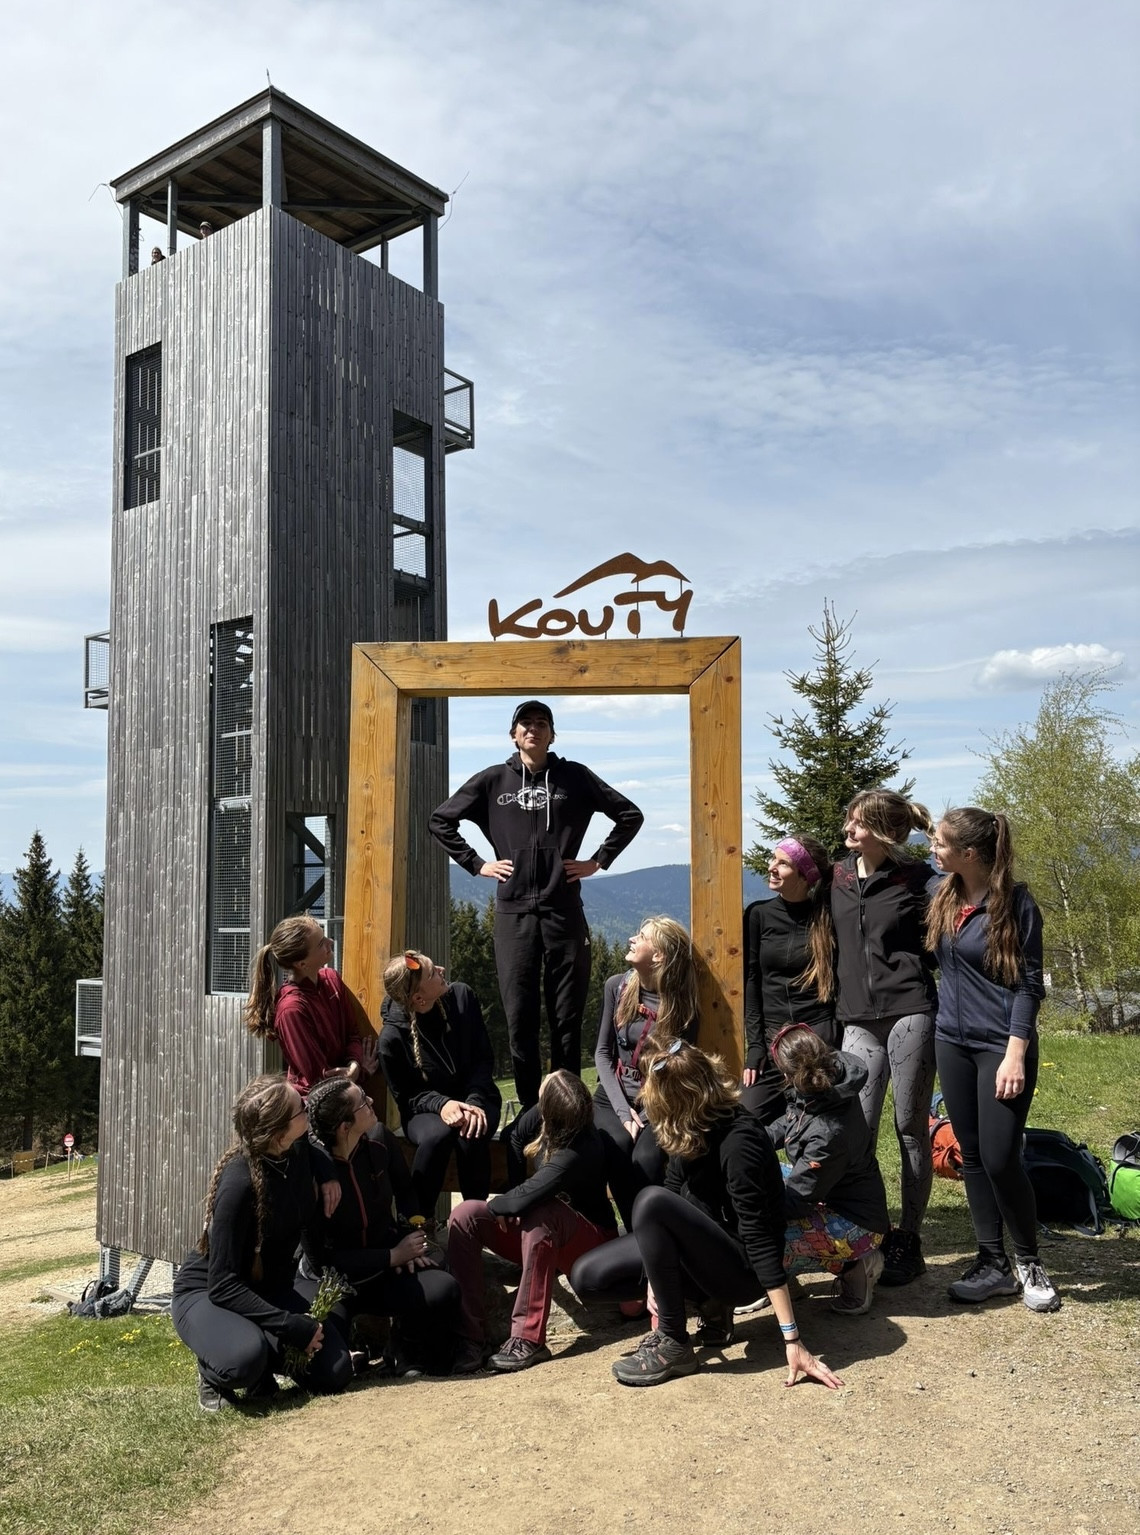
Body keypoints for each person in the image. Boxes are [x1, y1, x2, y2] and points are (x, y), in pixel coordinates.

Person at [429, 699, 643, 1108]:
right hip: (512, 915)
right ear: (514, 735)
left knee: (567, 1019)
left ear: (551, 734)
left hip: (564, 912)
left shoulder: (575, 777)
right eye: (525, 723)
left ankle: (569, 1111)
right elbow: (440, 820)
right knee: (520, 1020)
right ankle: (530, 1111)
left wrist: (598, 861)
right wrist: (477, 864)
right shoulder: (493, 780)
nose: (533, 728)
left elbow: (629, 815)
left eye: (541, 723)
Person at [604, 1041, 843, 1388]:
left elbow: (760, 1237)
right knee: (590, 1277)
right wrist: (655, 1278)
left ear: (682, 1099)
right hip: (705, 1246)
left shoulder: (739, 1142)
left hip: (741, 1271)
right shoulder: (693, 1124)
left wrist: (792, 1339)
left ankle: (674, 1343)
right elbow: (673, 1190)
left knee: (649, 1201)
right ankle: (706, 1305)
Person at [929, 809, 1059, 1312]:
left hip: (1001, 1048)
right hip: (951, 1042)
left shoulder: (1015, 904)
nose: (933, 850)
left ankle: (1029, 1261)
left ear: (969, 853)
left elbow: (1029, 986)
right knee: (973, 1155)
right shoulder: (942, 895)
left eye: (940, 843)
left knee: (1001, 1157)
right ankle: (992, 1263)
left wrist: (1015, 1054)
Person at [171, 1074, 353, 1411]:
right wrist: (288, 1325)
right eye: (301, 1108)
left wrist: (328, 1174)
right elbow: (223, 1285)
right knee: (244, 1360)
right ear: (279, 1132)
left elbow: (312, 1144)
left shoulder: (294, 1149)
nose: (307, 1106)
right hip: (209, 1292)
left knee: (336, 1370)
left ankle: (261, 1357)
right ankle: (214, 1370)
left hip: (267, 1289)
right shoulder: (239, 1184)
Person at [831, 790, 938, 1286]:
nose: (848, 830)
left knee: (909, 1126)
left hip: (909, 1011)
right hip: (856, 1018)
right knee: (859, 1129)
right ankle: (867, 1234)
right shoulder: (836, 877)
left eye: (858, 823)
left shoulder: (917, 879)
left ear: (885, 832)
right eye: (849, 821)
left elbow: (944, 934)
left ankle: (907, 1239)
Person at [446, 1069, 617, 1374]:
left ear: (553, 1112)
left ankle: (528, 1339)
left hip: (591, 1246)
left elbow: (526, 1199)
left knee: (542, 1212)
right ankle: (470, 1337)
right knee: (464, 1216)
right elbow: (514, 1138)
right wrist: (516, 1196)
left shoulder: (579, 1149)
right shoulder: (551, 1114)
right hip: (545, 1234)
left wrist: (512, 1203)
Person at [304, 1076, 463, 1373]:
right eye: (363, 1102)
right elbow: (322, 1261)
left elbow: (406, 1192)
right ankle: (349, 1354)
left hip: (384, 1272)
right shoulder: (313, 1174)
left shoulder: (379, 1138)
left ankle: (402, 1348)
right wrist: (393, 1256)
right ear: (345, 1127)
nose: (372, 1101)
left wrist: (411, 1239)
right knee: (333, 1370)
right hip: (334, 1283)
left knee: (445, 1289)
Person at [768, 1024, 890, 1314]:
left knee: (762, 1231)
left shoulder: (828, 1133)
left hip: (857, 1224)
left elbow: (796, 1202)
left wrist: (750, 1203)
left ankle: (856, 1267)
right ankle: (783, 1281)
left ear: (788, 1075)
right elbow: (790, 1122)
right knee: (761, 1179)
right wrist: (748, 1140)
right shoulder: (826, 1083)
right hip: (833, 1196)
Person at [593, 915, 699, 1227]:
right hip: (613, 1095)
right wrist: (624, 1113)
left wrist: (647, 1113)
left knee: (647, 1160)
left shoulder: (682, 1004)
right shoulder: (617, 986)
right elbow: (602, 1053)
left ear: (659, 956)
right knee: (616, 1146)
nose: (632, 939)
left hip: (659, 1100)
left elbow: (681, 1069)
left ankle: (656, 1231)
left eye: (641, 937)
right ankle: (633, 1234)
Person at [378, 950, 502, 1217]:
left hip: (477, 1095)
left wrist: (473, 1101)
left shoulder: (462, 997)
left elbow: (483, 1060)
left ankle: (475, 1221)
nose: (442, 970)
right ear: (418, 998)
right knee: (437, 1136)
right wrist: (442, 1104)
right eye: (433, 972)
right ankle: (417, 1221)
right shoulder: (391, 1038)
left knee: (472, 1130)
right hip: (424, 1109)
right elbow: (406, 1095)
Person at [743, 835, 839, 1124]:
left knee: (817, 1122)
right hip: (772, 1039)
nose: (771, 867)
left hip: (817, 1038)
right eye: (773, 859)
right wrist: (755, 1046)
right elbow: (751, 981)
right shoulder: (758, 914)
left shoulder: (826, 917)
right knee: (747, 1117)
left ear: (804, 875)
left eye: (782, 863)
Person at [245, 916, 377, 1099]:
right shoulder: (291, 1010)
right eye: (321, 943)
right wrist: (361, 1073)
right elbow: (319, 1079)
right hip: (319, 1104)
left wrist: (354, 1063)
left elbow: (352, 1033)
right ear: (302, 964)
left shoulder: (332, 979)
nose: (330, 942)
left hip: (347, 1092)